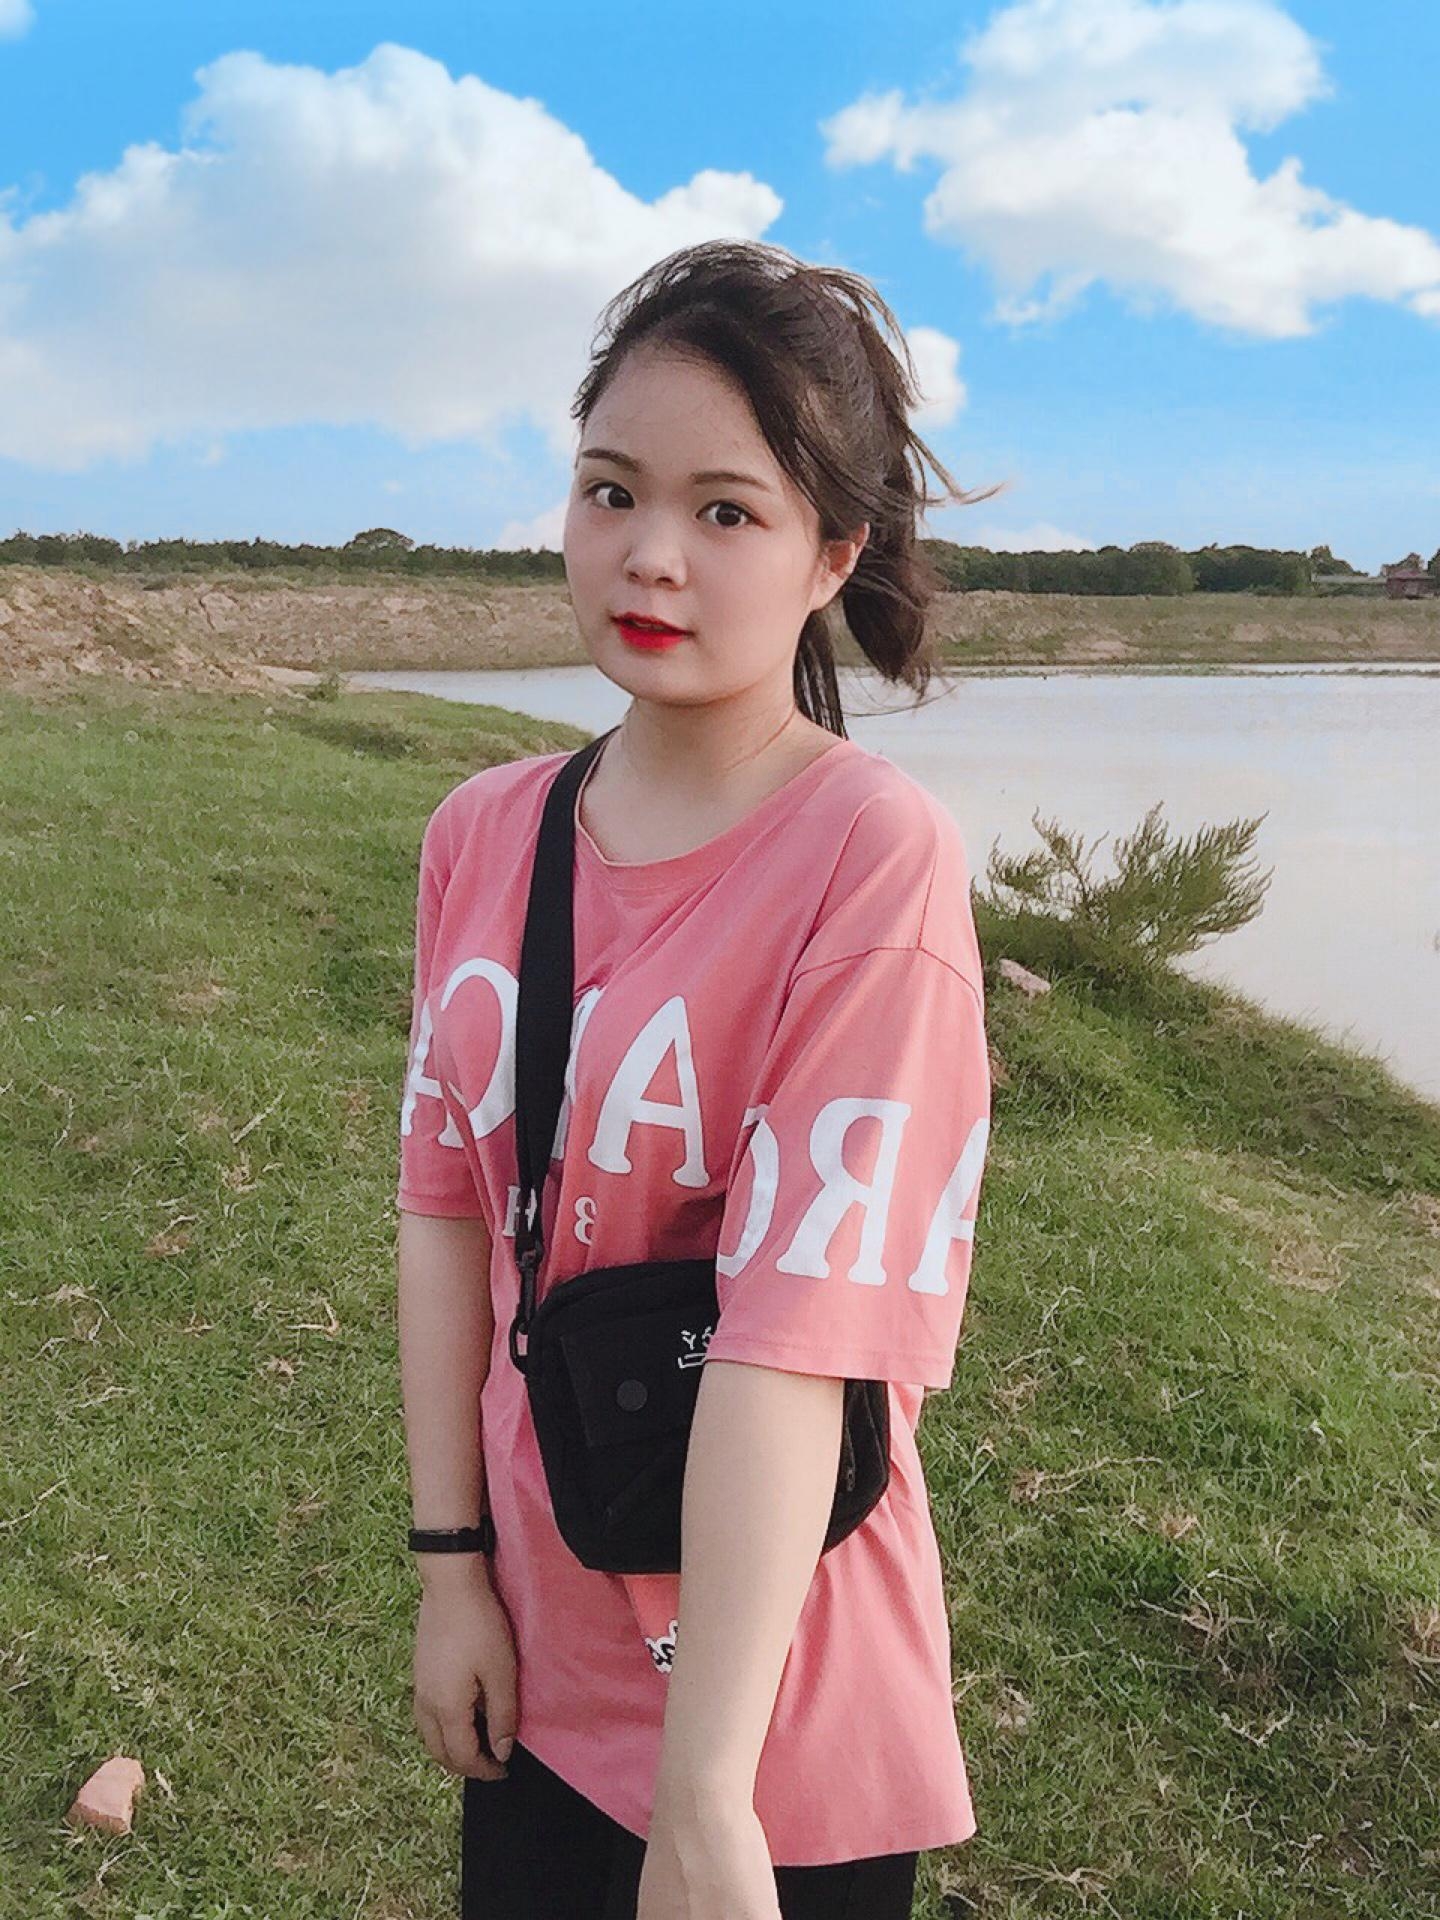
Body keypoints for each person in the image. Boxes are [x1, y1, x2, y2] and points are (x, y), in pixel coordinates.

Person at [396, 238, 1001, 1920]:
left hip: (770, 1706)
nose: (649, 553)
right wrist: (452, 1571)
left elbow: (797, 1341)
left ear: (833, 554)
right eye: (611, 491)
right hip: (540, 1650)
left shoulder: (868, 858)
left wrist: (707, 1796)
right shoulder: (482, 833)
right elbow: (448, 1216)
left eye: (727, 511)